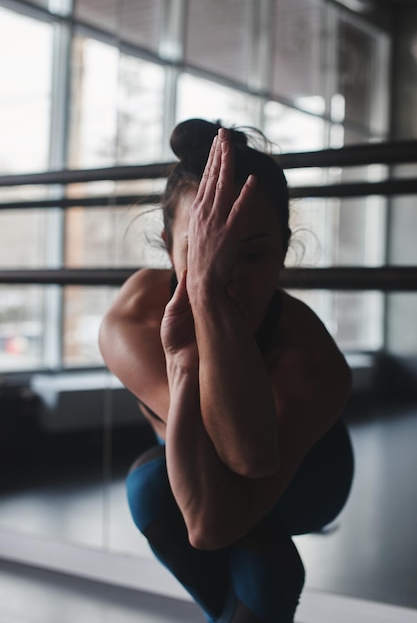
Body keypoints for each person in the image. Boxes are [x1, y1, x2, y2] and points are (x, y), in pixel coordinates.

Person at [99, 118, 354, 623]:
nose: (228, 277)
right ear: (168, 247)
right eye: (201, 253)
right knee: (158, 490)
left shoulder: (312, 360)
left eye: (252, 253)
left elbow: (246, 459)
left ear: (283, 250)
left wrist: (207, 299)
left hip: (310, 475)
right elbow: (210, 503)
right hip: (206, 472)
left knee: (168, 488)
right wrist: (186, 354)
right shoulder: (135, 316)